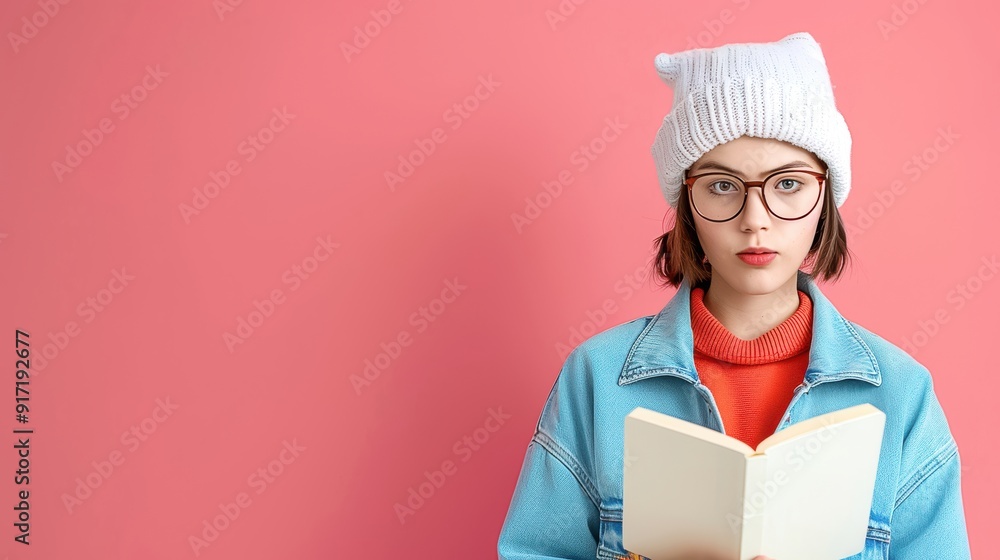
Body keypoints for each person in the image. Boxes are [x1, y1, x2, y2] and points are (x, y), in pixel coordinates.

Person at [497, 32, 971, 560]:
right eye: (722, 186)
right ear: (687, 203)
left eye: (787, 184)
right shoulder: (597, 378)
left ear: (825, 197)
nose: (755, 220)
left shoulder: (901, 394)